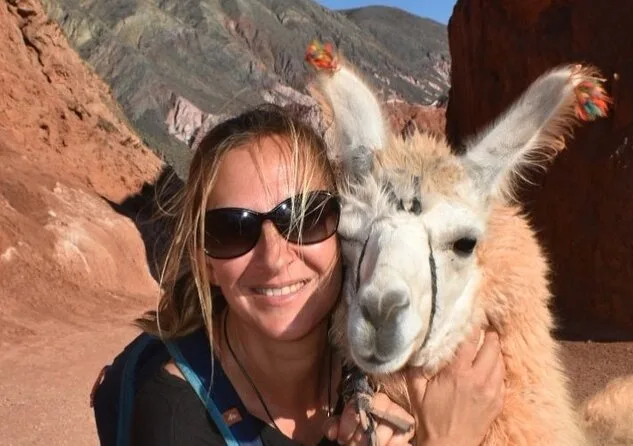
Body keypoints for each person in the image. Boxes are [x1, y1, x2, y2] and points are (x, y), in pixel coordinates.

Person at [130, 104, 505, 446]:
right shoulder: (175, 421)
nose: (274, 258)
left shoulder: (375, 360)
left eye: (304, 218)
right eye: (233, 230)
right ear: (206, 262)